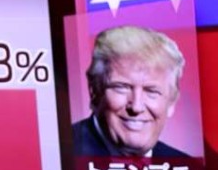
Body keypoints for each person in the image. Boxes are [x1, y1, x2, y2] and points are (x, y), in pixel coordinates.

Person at [72, 25, 188, 158]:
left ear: (172, 102)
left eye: (151, 91)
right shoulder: (60, 152)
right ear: (94, 92)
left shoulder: (186, 164)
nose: (136, 107)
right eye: (121, 87)